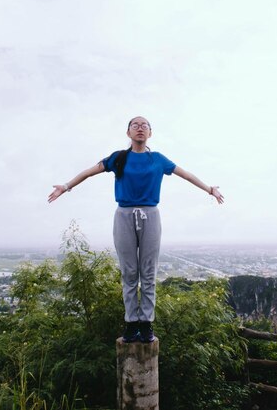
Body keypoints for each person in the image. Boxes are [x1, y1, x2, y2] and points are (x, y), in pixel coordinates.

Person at [48, 116, 224, 343]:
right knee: (129, 272)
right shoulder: (118, 158)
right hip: (123, 215)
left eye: (144, 126)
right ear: (128, 133)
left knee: (148, 272)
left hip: (151, 215)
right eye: (135, 125)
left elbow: (187, 175)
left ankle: (146, 323)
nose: (140, 128)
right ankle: (131, 323)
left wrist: (209, 189)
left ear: (150, 133)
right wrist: (65, 186)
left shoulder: (158, 159)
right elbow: (88, 172)